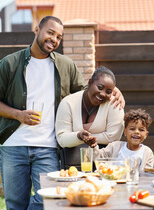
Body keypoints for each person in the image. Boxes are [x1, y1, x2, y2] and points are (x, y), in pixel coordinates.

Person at [0, 16, 124, 210]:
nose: (54, 39)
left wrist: (114, 91)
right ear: (36, 29)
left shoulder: (66, 65)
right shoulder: (10, 63)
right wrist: (18, 115)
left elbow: (87, 93)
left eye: (59, 36)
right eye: (50, 33)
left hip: (48, 147)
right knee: (15, 203)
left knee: (49, 201)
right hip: (13, 146)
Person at [55, 66, 125, 168]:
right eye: (100, 87)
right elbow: (62, 138)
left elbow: (113, 137)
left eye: (108, 92)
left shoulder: (114, 104)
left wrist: (82, 137)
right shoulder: (68, 102)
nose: (102, 94)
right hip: (73, 165)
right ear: (90, 82)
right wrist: (79, 136)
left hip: (104, 165)